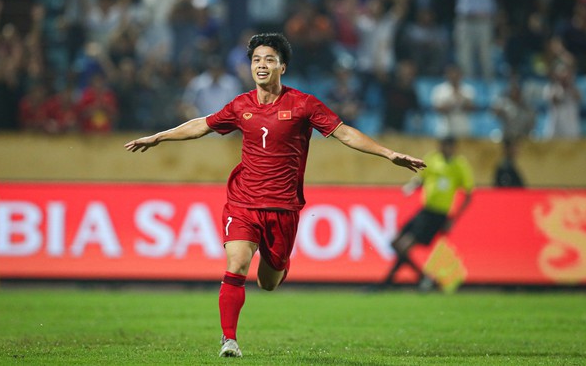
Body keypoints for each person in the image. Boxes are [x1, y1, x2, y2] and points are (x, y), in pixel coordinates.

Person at [125, 33, 426, 357]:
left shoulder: (303, 104)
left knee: (268, 282)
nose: (261, 65)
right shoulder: (241, 105)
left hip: (283, 208)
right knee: (237, 263)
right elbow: (203, 125)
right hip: (243, 201)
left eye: (269, 59)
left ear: (282, 66)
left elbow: (344, 132)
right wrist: (160, 137)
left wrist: (388, 153)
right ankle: (229, 340)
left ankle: (281, 264)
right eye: (256, 60)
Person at [383, 136, 473, 289]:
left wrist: (453, 218)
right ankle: (423, 278)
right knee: (395, 242)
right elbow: (422, 178)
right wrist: (412, 185)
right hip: (425, 210)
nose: (445, 148)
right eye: (443, 145)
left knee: (404, 246)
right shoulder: (432, 159)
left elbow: (468, 194)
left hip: (438, 214)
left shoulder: (459, 165)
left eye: (448, 146)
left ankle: (387, 282)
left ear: (453, 147)